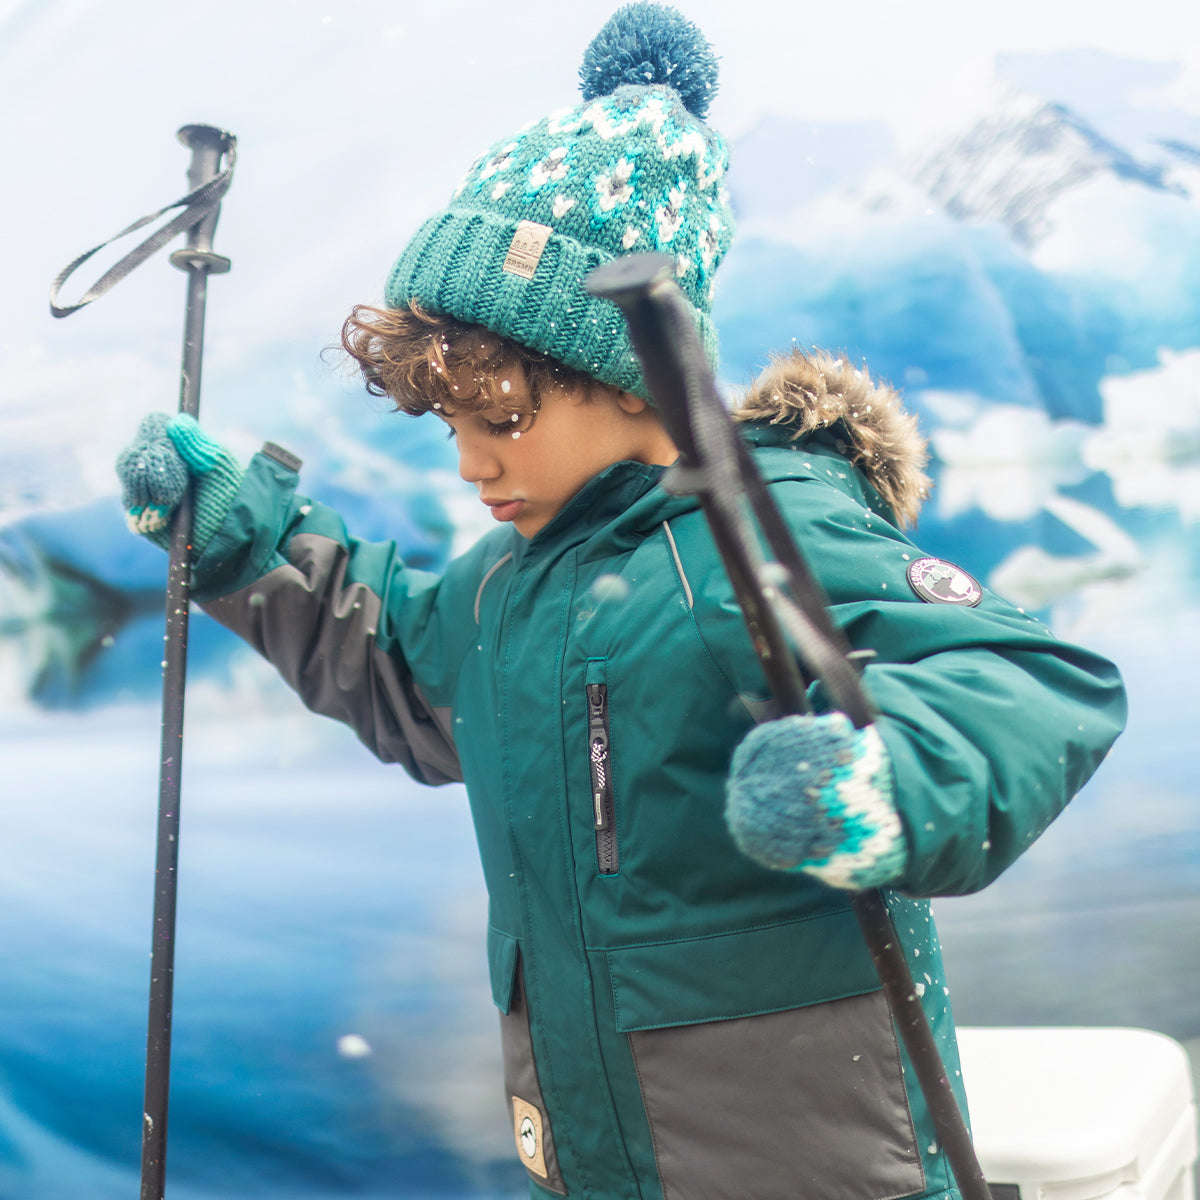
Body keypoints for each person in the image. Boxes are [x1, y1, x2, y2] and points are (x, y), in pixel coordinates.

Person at [117, 5, 1127, 1198]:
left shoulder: (769, 538)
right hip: (590, 1158)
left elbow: (1027, 681)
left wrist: (889, 778)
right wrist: (248, 550)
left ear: (637, 375)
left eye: (501, 418)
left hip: (814, 1168)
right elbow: (398, 673)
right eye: (450, 425)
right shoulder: (503, 590)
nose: (470, 464)